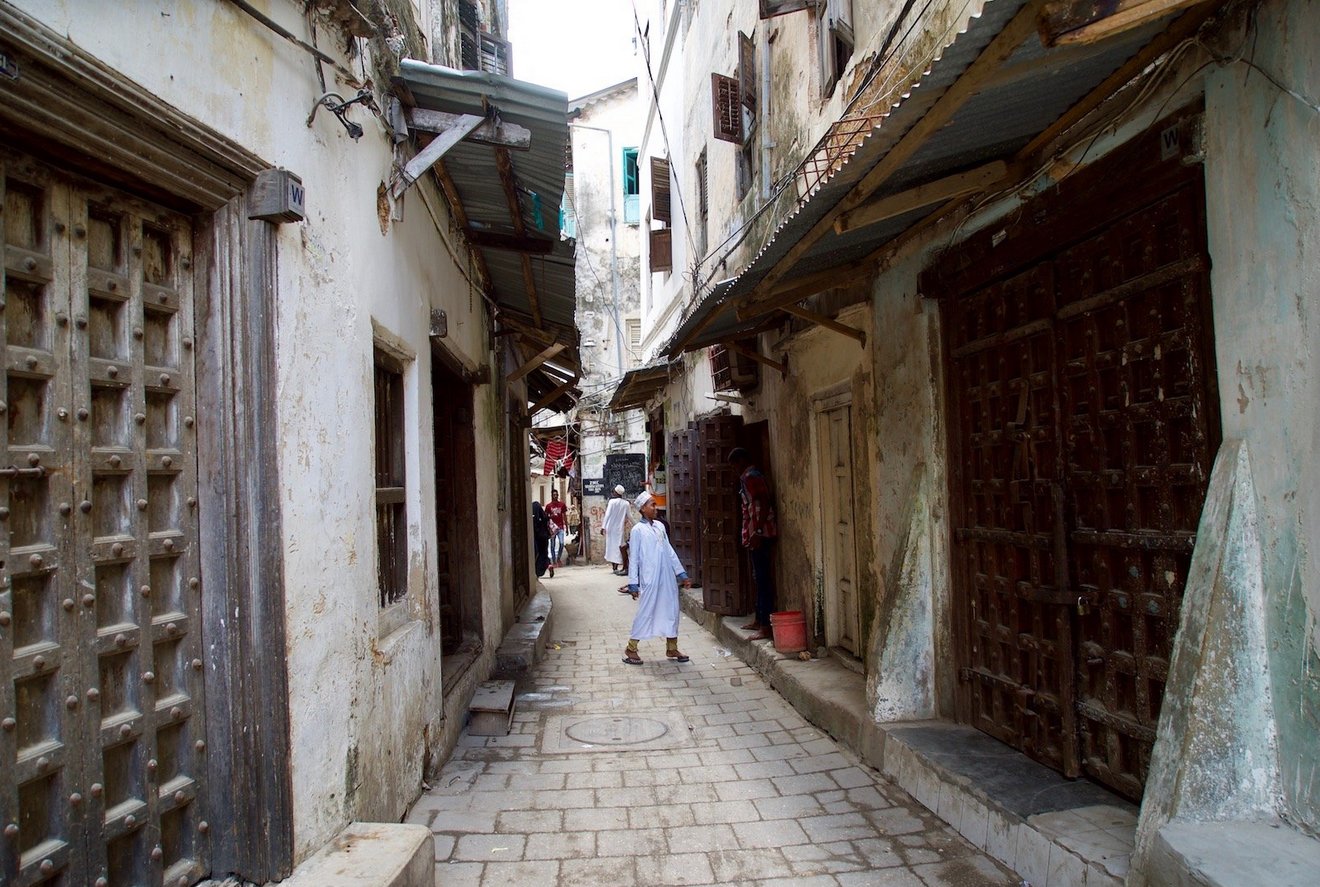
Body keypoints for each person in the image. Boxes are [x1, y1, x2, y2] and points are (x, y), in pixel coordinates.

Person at [622, 491, 693, 665]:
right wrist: (633, 583)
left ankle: (672, 647)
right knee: (647, 610)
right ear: (642, 509)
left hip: (667, 577)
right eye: (652, 505)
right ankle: (631, 648)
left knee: (672, 609)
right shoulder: (638, 530)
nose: (656, 508)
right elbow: (634, 558)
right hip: (650, 578)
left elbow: (669, 551)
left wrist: (681, 574)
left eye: (655, 504)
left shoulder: (660, 527)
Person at [729, 447, 777, 640]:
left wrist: (757, 531)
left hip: (761, 535)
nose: (734, 469)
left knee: (763, 579)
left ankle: (765, 625)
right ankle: (759, 619)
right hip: (755, 534)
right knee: (758, 578)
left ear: (741, 462)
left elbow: (763, 502)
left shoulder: (751, 476)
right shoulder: (748, 477)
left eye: (734, 465)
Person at [600, 484, 630, 575]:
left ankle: (615, 567)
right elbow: (630, 516)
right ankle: (618, 567)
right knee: (619, 548)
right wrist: (637, 525)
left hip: (610, 528)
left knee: (611, 547)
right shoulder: (626, 503)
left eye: (613, 492)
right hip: (619, 529)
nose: (612, 493)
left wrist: (603, 527)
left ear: (616, 493)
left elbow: (607, 515)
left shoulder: (612, 502)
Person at [545, 489, 568, 567]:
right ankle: (554, 561)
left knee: (561, 543)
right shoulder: (548, 506)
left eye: (556, 495)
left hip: (560, 527)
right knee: (552, 545)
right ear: (551, 496)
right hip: (552, 528)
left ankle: (558, 558)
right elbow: (546, 517)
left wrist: (567, 527)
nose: (555, 496)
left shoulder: (562, 505)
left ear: (558, 495)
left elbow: (564, 516)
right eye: (554, 495)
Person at [532, 500, 553, 579]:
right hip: (544, 538)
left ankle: (538, 572)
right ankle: (549, 564)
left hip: (537, 538)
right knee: (544, 553)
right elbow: (547, 521)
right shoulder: (544, 516)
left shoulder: (533, 519)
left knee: (538, 554)